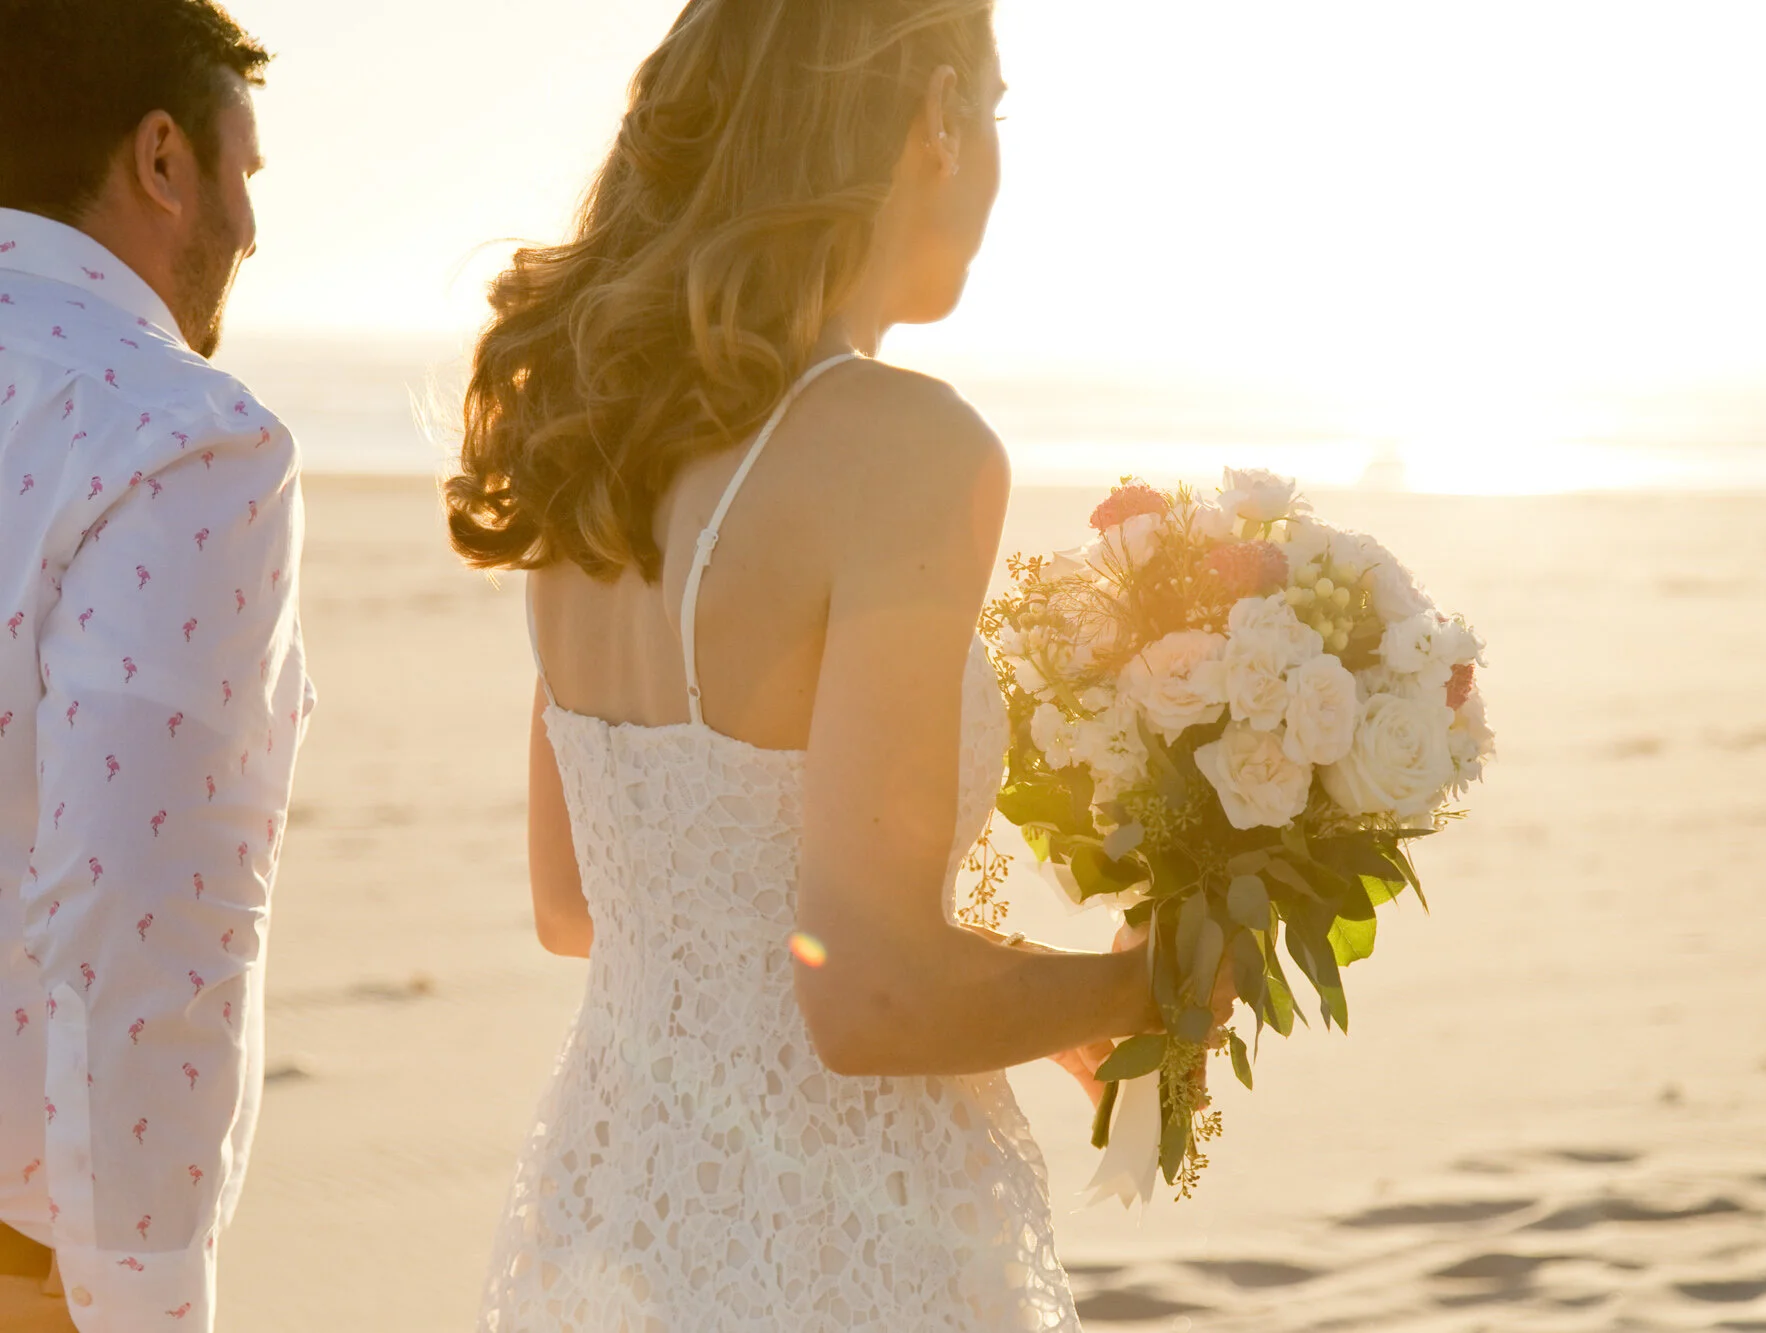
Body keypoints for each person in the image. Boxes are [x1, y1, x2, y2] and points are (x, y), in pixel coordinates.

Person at [445, 1, 1232, 1326]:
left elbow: (581, 904)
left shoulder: (592, 433)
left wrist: (998, 989)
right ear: (933, 117)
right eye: (993, 110)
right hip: (840, 1234)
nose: (990, 157)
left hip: (619, 1207)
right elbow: (863, 998)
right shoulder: (906, 448)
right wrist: (1139, 986)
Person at [0, 2, 312, 1330]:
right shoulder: (178, 439)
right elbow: (137, 926)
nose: (251, 222)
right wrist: (146, 1305)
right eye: (244, 171)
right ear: (163, 159)